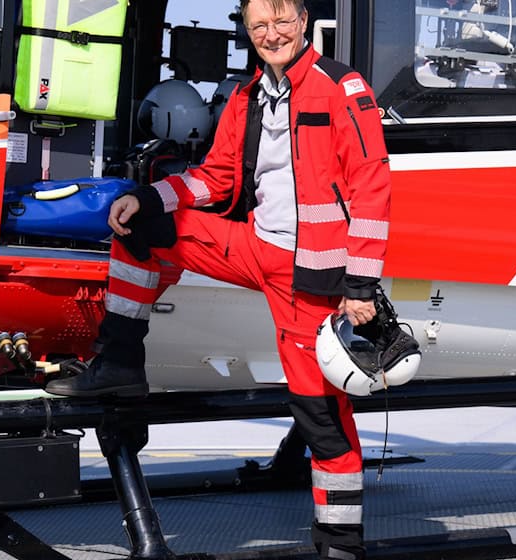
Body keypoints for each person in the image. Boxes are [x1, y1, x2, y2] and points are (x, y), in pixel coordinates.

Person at [45, 0, 391, 558]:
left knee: (321, 417)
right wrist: (147, 197)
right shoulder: (249, 94)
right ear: (248, 33)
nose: (272, 33)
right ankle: (119, 364)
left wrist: (359, 284)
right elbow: (217, 176)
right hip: (255, 248)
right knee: (142, 233)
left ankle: (340, 544)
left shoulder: (340, 87)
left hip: (312, 273)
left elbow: (372, 185)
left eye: (282, 21)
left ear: (303, 21)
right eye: (260, 25)